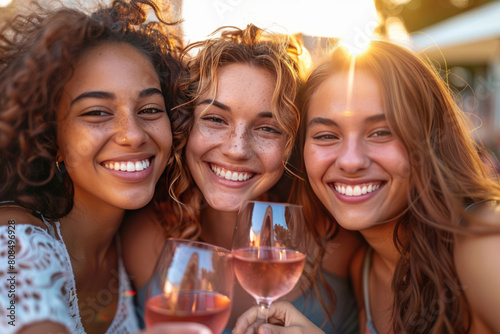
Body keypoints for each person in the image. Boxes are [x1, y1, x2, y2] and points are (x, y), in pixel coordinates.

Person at [233, 39, 500, 334]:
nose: (350, 161)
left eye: (381, 132)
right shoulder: (364, 269)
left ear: (430, 140)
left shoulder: (484, 243)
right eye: (326, 135)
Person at [121, 25, 361, 333]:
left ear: (291, 145)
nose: (237, 149)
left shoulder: (338, 242)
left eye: (267, 128)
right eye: (215, 119)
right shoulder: (144, 238)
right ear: (184, 124)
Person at [0, 0, 184, 333]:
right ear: (51, 136)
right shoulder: (13, 237)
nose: (133, 135)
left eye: (150, 109)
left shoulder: (133, 242)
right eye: (97, 112)